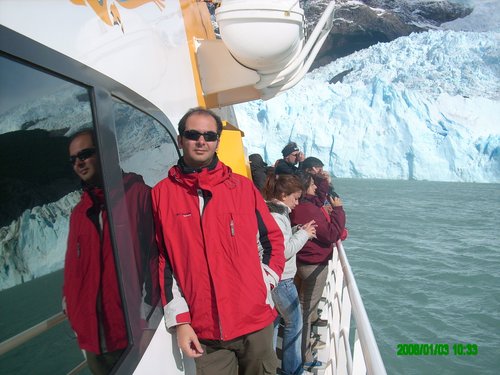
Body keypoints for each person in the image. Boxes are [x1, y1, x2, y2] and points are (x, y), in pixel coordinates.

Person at [151, 107, 285, 375]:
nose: (202, 141)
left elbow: (273, 239)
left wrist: (265, 282)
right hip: (206, 332)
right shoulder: (161, 195)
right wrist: (180, 321)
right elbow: (162, 261)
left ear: (217, 142)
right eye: (193, 134)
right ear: (180, 140)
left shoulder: (243, 187)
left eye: (209, 135)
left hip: (255, 322)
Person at [63, 129, 159, 374]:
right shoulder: (79, 214)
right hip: (93, 343)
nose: (79, 163)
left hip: (132, 337)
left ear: (105, 152)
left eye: (85, 154)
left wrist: (150, 323)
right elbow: (73, 273)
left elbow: (156, 260)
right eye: (73, 159)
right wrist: (76, 319)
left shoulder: (138, 196)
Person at [290, 172, 346, 371]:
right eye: (313, 184)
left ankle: (298, 351)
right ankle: (304, 357)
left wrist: (324, 183)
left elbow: (318, 198)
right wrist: (338, 210)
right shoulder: (309, 210)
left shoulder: (303, 205)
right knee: (306, 313)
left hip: (301, 261)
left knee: (301, 310)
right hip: (313, 264)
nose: (316, 188)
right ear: (305, 188)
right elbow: (331, 234)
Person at [262, 173, 316, 375]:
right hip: (282, 279)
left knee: (274, 323)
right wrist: (304, 234)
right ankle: (292, 371)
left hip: (275, 278)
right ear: (283, 195)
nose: (297, 203)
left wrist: (295, 230)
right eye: (295, 198)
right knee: (295, 323)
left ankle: (267, 368)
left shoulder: (273, 211)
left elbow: (278, 242)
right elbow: (282, 252)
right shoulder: (277, 216)